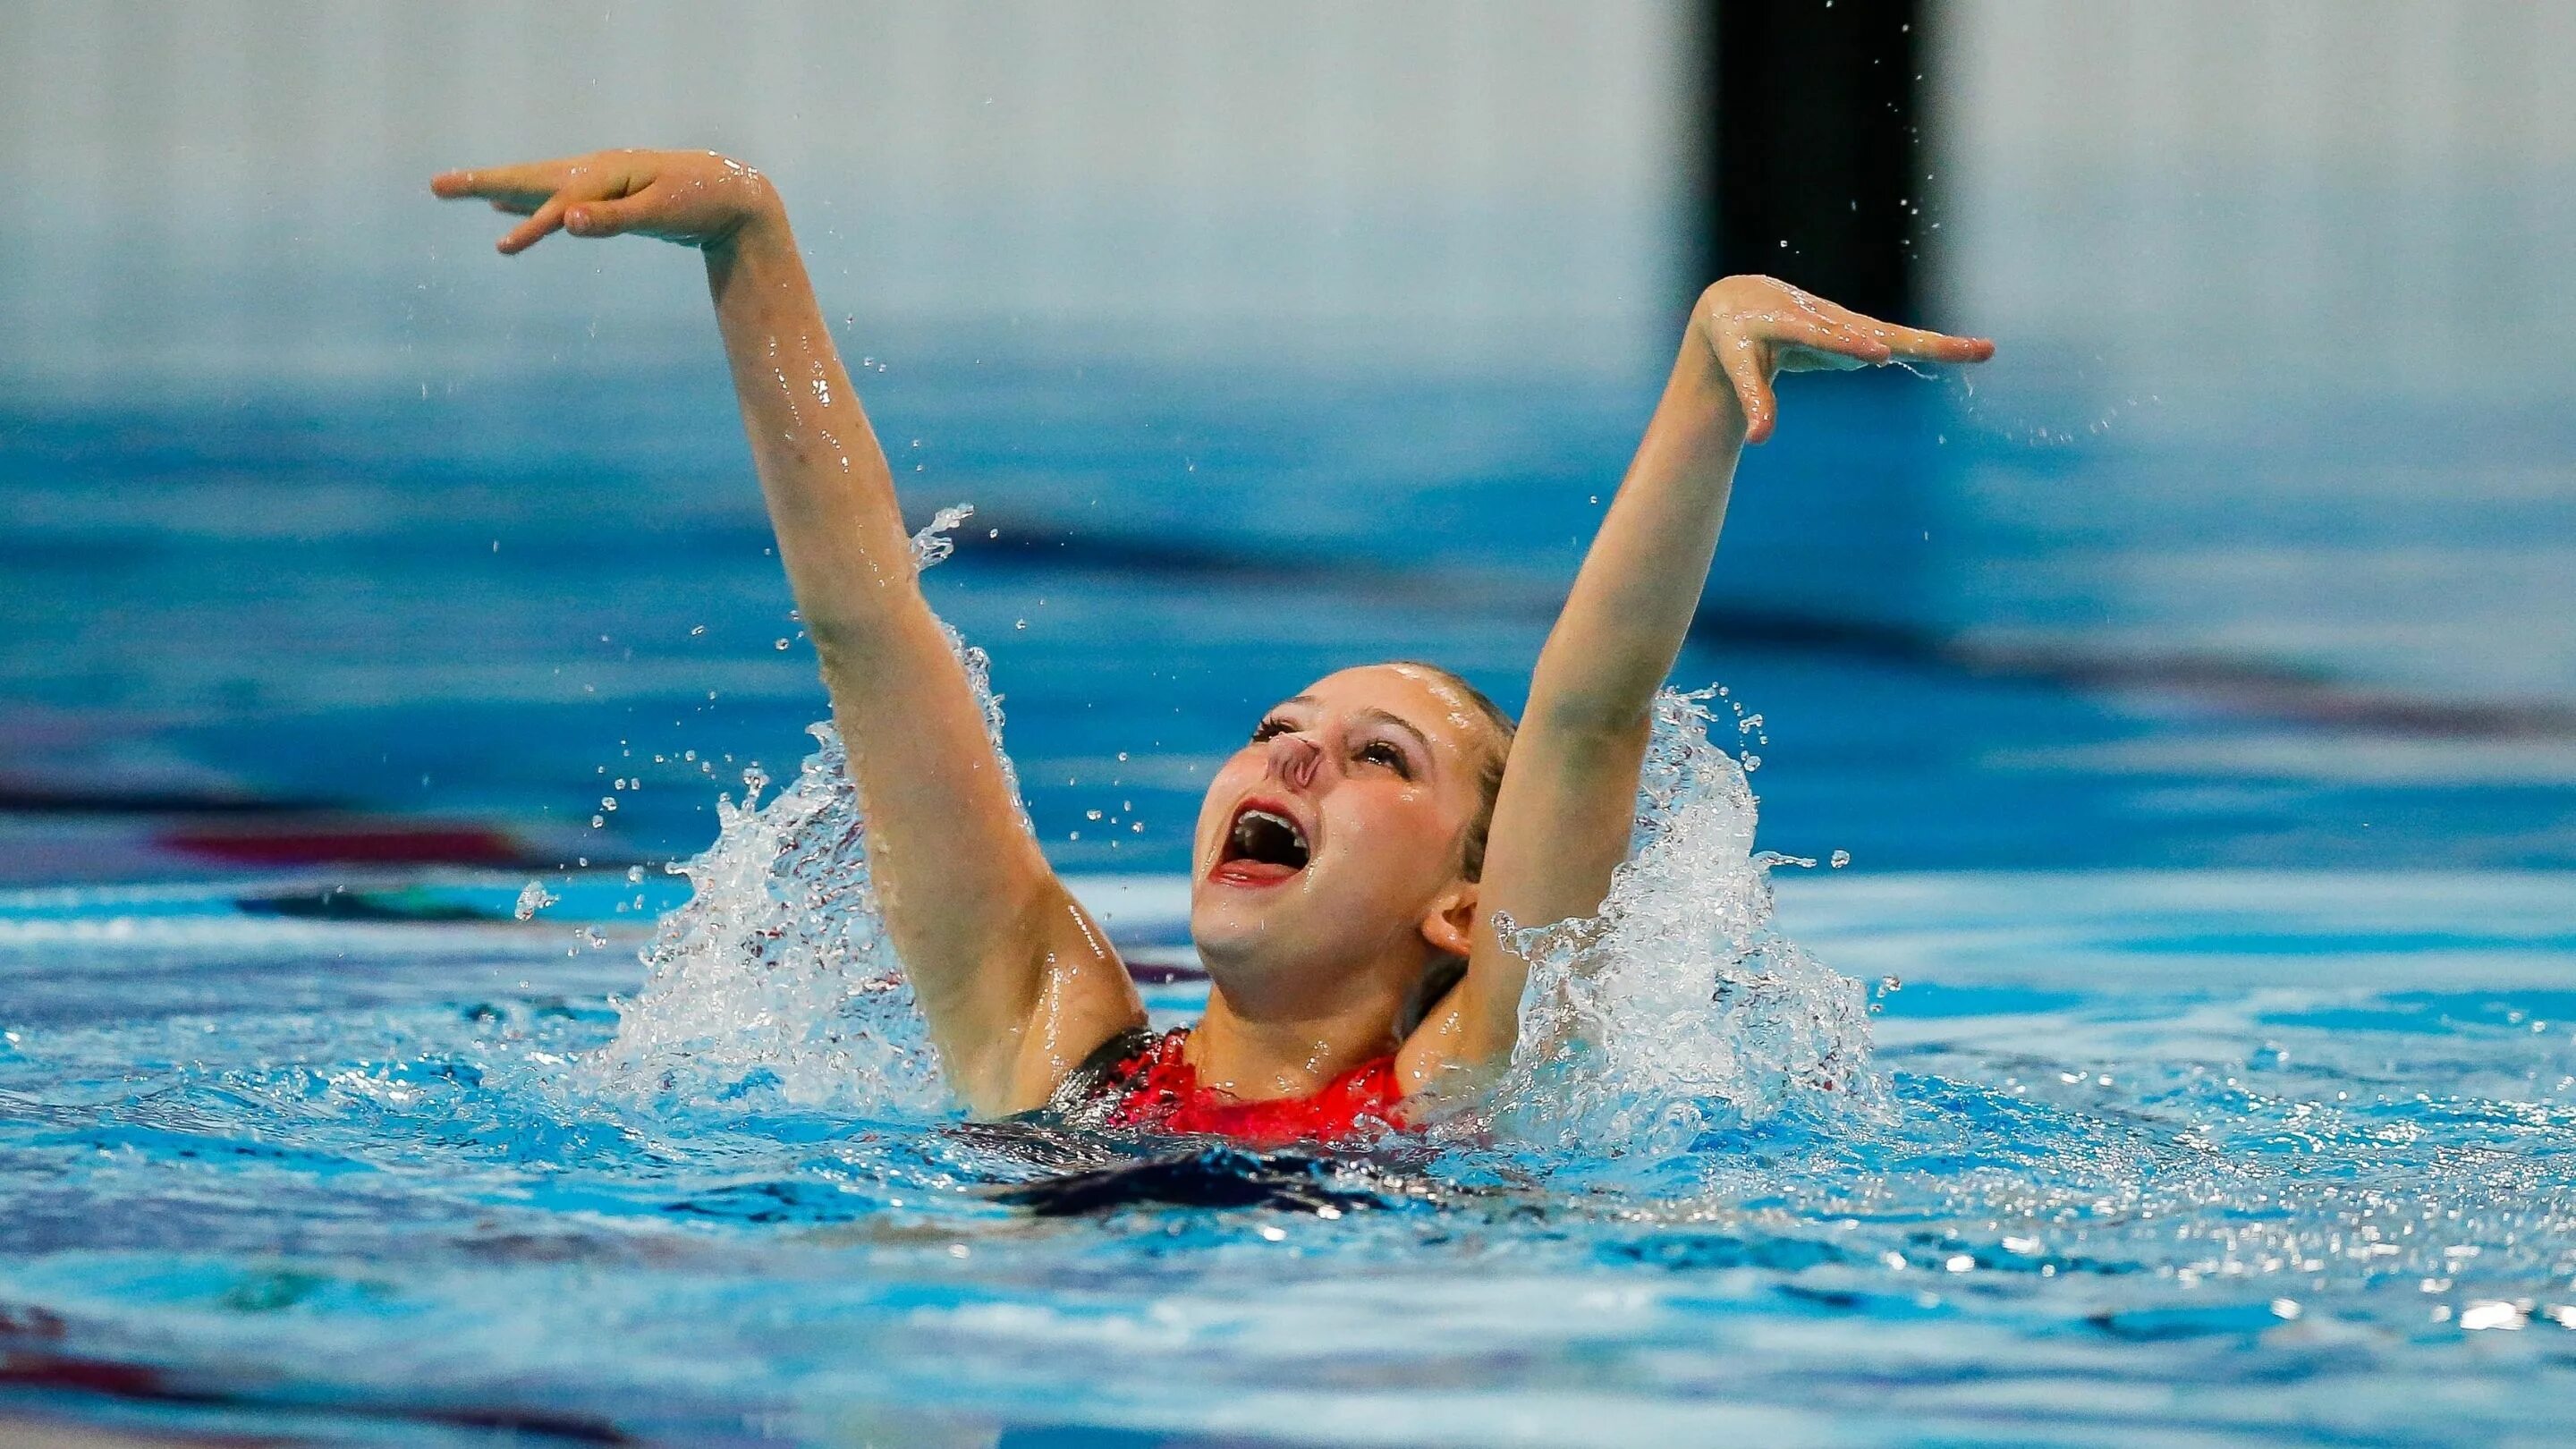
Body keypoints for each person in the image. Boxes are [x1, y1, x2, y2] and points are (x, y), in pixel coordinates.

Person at [432, 148, 1992, 1148]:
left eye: (1383, 757)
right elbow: (870, 633)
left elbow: (1591, 717)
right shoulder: (1044, 1034)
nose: (1295, 753)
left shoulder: (1463, 1085)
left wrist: (1710, 392)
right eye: (1280, 726)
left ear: (1469, 902)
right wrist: (748, 242)